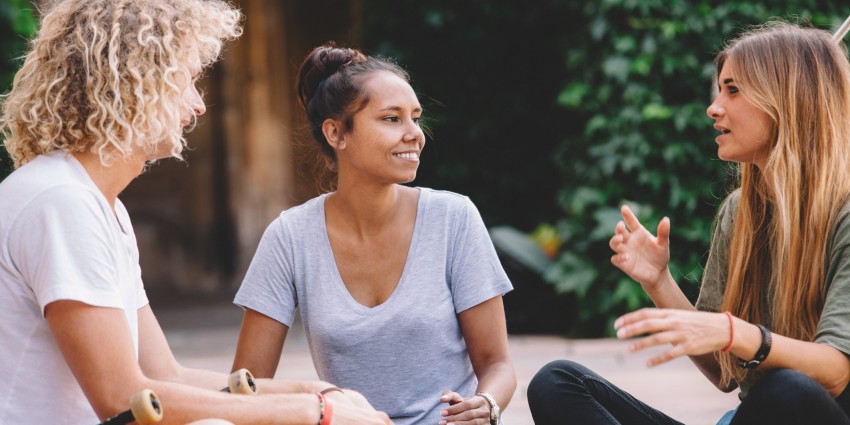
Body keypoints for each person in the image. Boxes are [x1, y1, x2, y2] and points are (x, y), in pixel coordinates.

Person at [0, 1, 391, 424]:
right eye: (186, 81)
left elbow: (163, 374)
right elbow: (122, 400)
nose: (198, 105)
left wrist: (313, 390)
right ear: (135, 83)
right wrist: (311, 413)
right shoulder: (61, 202)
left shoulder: (96, 204)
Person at [527, 22, 850, 425]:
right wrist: (659, 282)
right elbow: (722, 371)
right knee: (556, 382)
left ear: (788, 100)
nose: (714, 107)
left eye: (732, 90)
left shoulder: (845, 212)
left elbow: (836, 373)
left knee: (788, 389)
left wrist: (736, 332)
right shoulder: (741, 212)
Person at [231, 43, 517, 425]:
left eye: (415, 118)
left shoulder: (454, 218)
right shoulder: (291, 236)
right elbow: (247, 387)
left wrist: (486, 404)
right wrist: (315, 409)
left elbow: (498, 365)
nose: (415, 134)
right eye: (391, 119)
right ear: (336, 133)